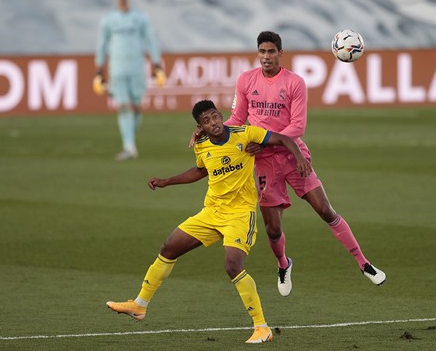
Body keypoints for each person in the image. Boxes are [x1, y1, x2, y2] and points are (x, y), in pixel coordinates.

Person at [192, 31, 386, 297]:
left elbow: (298, 125)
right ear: (258, 53)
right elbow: (237, 118)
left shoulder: (295, 82)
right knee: (273, 228)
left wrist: (276, 145)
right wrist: (211, 130)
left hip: (292, 155)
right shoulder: (246, 80)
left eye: (271, 52)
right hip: (261, 162)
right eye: (262, 51)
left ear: (280, 54)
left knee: (325, 210)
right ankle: (283, 264)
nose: (266, 57)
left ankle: (364, 263)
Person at [106, 99, 311, 344]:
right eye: (206, 121)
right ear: (200, 127)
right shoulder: (201, 145)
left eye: (215, 117)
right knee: (168, 248)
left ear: (220, 115)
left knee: (233, 265)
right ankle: (139, 305)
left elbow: (283, 139)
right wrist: (166, 181)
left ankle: (261, 327)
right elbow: (201, 171)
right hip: (212, 212)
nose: (213, 123)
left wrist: (298, 156)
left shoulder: (245, 134)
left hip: (240, 214)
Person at [93, 0, 166, 161]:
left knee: (136, 107)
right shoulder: (109, 20)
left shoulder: (140, 18)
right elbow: (102, 45)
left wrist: (156, 63)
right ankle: (129, 146)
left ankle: (130, 142)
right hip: (117, 69)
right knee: (124, 107)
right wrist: (99, 68)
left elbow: (150, 41)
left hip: (136, 68)